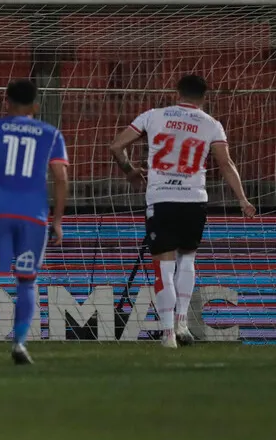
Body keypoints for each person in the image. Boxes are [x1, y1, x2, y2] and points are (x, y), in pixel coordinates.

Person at [109, 74, 256, 349]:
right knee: (187, 259)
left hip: (162, 198)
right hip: (194, 199)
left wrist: (129, 172)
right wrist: (243, 199)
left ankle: (167, 335)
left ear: (177, 92)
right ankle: (182, 324)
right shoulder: (211, 124)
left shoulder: (153, 115)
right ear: (204, 96)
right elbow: (226, 163)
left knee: (163, 265)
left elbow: (116, 146)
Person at [0, 79, 69, 365]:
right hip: (33, 216)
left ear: (6, 102)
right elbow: (61, 177)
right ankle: (19, 344)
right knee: (26, 282)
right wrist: (57, 220)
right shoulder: (51, 133)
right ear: (36, 105)